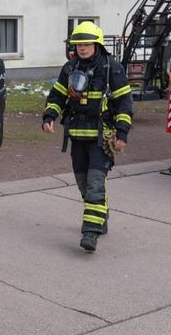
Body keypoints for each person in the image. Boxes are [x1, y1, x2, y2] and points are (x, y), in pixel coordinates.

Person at [40, 21, 134, 253]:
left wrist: (122, 133)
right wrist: (49, 116)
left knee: (94, 183)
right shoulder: (69, 68)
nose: (82, 48)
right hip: (77, 136)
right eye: (78, 43)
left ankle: (90, 232)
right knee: (84, 184)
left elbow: (124, 102)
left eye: (86, 43)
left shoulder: (112, 68)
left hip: (102, 138)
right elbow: (57, 96)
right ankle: (100, 215)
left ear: (97, 44)